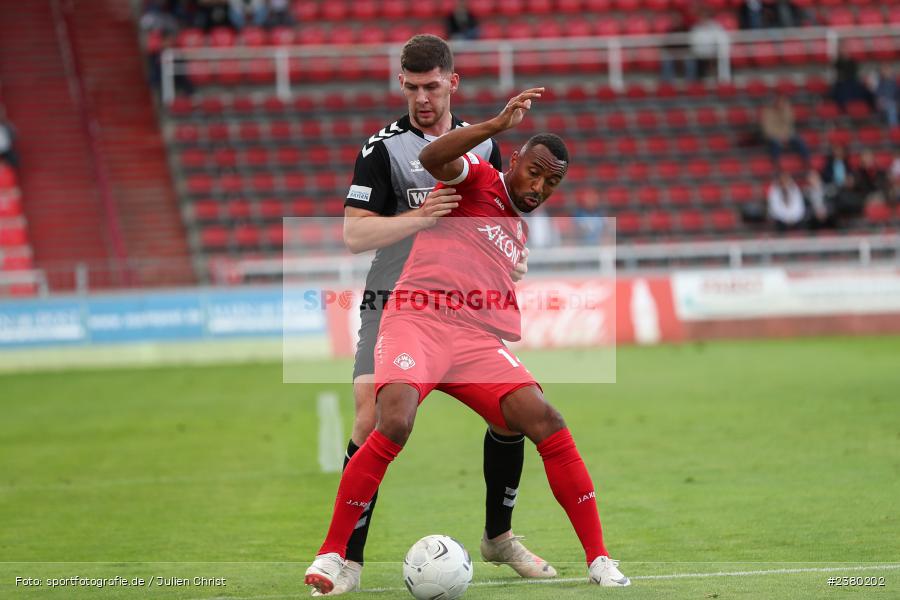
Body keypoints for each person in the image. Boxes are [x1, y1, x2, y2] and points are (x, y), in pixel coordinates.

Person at [305, 88, 630, 594]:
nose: (540, 186)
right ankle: (332, 555)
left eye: (552, 182)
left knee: (544, 418)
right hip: (417, 320)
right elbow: (432, 155)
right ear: (515, 160)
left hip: (474, 340)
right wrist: (498, 125)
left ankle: (599, 559)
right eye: (535, 171)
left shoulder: (517, 232)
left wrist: (510, 270)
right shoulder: (478, 175)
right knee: (394, 419)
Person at [330, 34, 553, 596]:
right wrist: (420, 218)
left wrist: (513, 257)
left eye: (431, 87)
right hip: (394, 299)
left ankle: (498, 538)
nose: (421, 99)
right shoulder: (381, 149)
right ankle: (345, 559)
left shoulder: (483, 145)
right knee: (370, 413)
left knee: (512, 412)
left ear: (452, 82)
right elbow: (356, 234)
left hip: (465, 307)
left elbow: (495, 217)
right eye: (411, 88)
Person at [759, 94, 810, 168]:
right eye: (779, 102)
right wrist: (780, 136)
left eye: (783, 102)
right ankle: (776, 163)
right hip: (773, 136)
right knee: (775, 142)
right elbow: (767, 129)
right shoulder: (767, 112)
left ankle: (806, 160)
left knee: (799, 140)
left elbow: (790, 126)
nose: (781, 104)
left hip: (786, 135)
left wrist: (784, 111)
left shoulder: (787, 111)